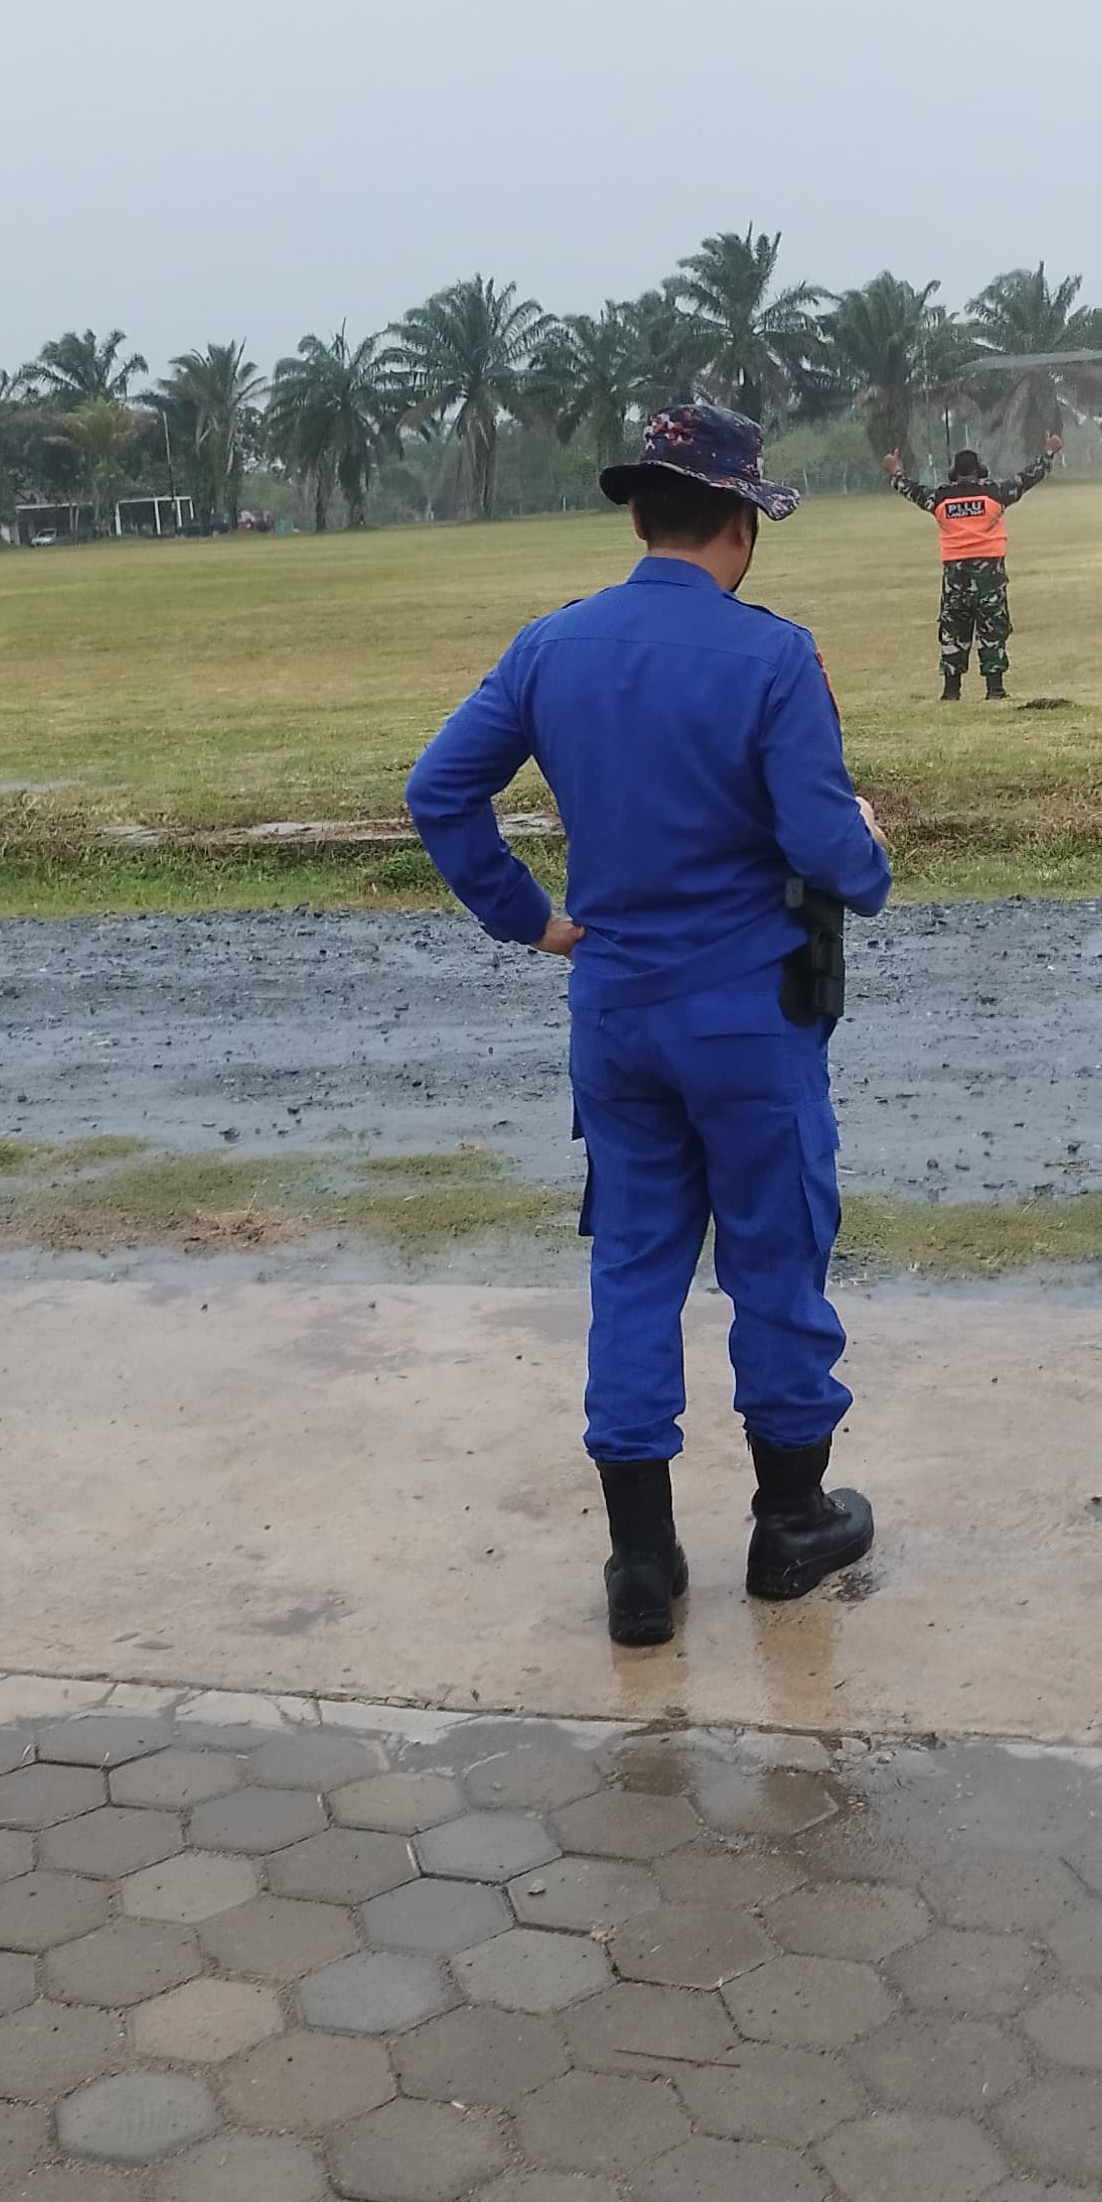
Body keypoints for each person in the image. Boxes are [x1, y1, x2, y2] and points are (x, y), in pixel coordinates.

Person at [406, 400, 892, 1648]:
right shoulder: (771, 657)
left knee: (632, 1269)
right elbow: (831, 850)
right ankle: (789, 1528)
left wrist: (528, 916)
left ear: (638, 515)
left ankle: (639, 1562)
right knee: (773, 1259)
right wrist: (873, 851)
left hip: (614, 1013)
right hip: (747, 1018)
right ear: (741, 522)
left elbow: (439, 789)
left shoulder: (550, 645)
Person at [882, 431, 1062, 699]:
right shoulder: (995, 493)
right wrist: (1048, 453)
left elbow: (911, 489)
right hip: (990, 576)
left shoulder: (940, 498)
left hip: (955, 578)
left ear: (954, 471)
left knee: (953, 632)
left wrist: (895, 471)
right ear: (980, 470)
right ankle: (995, 689)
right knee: (992, 630)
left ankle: (951, 692)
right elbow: (1027, 478)